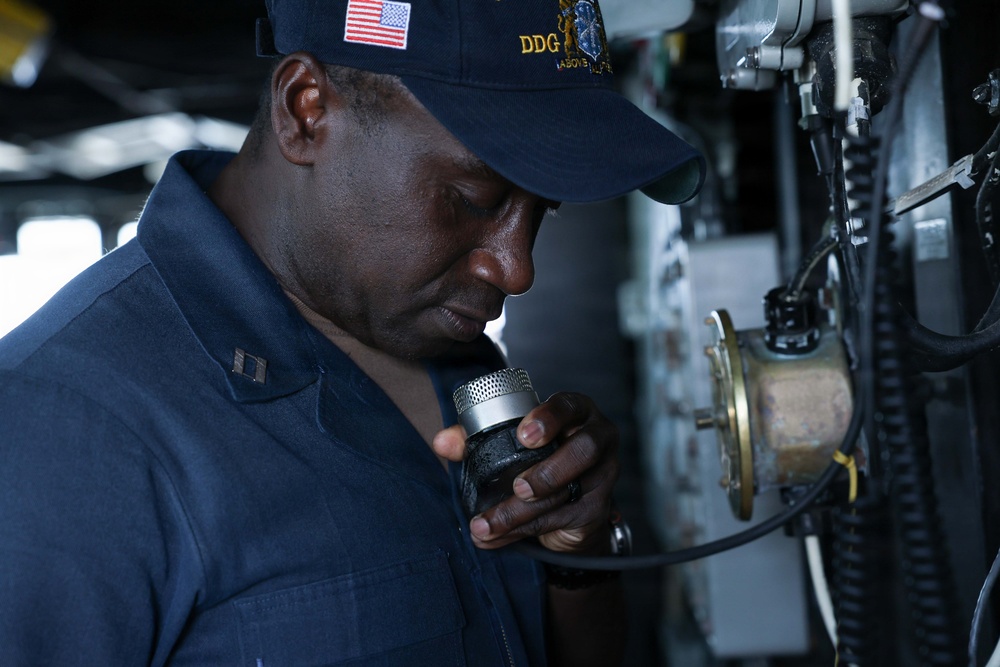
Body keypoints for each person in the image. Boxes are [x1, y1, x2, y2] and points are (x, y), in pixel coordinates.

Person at [0, 0, 703, 665]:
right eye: (469, 199)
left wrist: (575, 556)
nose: (516, 269)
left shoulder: (459, 364)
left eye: (541, 211)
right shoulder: (64, 431)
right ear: (305, 111)